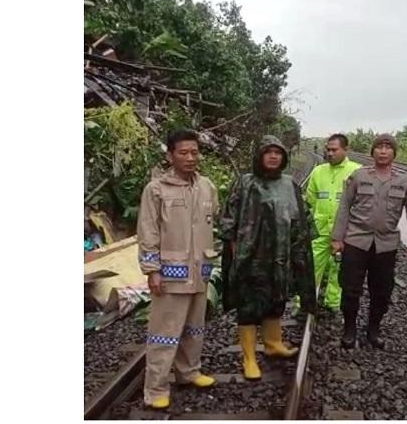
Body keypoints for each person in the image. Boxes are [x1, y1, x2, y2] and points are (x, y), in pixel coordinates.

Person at [220, 135, 317, 380]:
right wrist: (235, 256)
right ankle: (249, 357)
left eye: (278, 152)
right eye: (268, 152)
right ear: (259, 155)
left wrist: (299, 254)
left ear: (283, 157)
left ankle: (273, 343)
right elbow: (229, 221)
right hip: (250, 258)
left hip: (280, 257)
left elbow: (301, 220)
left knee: (276, 299)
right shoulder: (245, 183)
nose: (273, 156)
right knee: (249, 307)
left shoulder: (290, 184)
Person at [136, 129, 219, 409]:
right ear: (170, 155)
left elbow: (211, 221)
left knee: (194, 329)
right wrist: (152, 270)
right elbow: (148, 231)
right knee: (164, 333)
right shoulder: (156, 190)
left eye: (194, 152)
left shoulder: (206, 186)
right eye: (183, 152)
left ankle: (188, 372)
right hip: (170, 274)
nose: (190, 157)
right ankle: (156, 388)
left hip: (200, 272)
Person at [331, 134, 407, 349]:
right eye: (379, 147)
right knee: (350, 288)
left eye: (387, 148)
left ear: (394, 153)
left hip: (386, 244)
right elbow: (344, 207)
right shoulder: (358, 176)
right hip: (356, 241)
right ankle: (349, 328)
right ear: (372, 152)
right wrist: (337, 238)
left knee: (382, 290)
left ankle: (373, 328)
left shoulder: (405, 180)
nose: (383, 151)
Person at [294, 133, 361, 313]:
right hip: (320, 229)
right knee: (311, 266)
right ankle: (304, 303)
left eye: (334, 150)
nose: (330, 153)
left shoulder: (357, 172)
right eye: (328, 150)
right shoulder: (318, 171)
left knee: (338, 269)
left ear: (345, 150)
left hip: (346, 231)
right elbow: (310, 200)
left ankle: (333, 303)